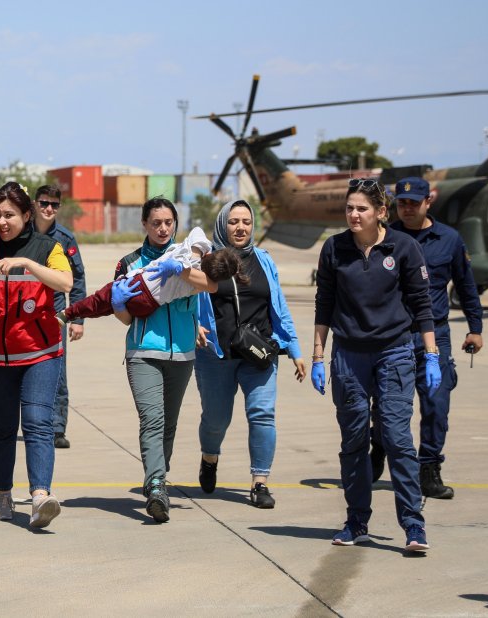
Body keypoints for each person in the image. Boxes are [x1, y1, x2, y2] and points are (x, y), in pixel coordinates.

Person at [312, 178, 438, 553]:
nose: (353, 214)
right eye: (349, 208)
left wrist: (430, 355)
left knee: (397, 439)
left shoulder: (404, 248)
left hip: (394, 352)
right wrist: (318, 355)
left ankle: (413, 525)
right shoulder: (334, 248)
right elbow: (324, 303)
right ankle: (356, 522)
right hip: (348, 355)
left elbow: (422, 305)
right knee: (353, 442)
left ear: (381, 212)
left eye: (361, 208)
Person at [369, 177, 485, 499]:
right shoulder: (385, 237)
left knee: (436, 404)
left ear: (428, 202)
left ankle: (429, 469)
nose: (407, 208)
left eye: (413, 203)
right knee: (388, 405)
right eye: (401, 203)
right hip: (393, 335)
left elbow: (466, 286)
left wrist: (475, 328)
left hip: (436, 335)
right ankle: (378, 444)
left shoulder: (449, 239)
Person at [194, 200, 307, 509]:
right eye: (233, 222)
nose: (240, 227)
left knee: (262, 414)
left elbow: (280, 306)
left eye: (246, 221)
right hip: (216, 355)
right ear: (222, 225)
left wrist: (295, 349)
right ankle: (209, 456)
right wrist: (194, 326)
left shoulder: (263, 260)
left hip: (259, 353)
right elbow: (185, 299)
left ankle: (260, 482)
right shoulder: (206, 261)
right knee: (216, 420)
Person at [113, 197, 215, 523]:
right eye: (155, 222)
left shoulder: (188, 255)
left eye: (168, 222)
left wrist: (182, 268)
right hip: (143, 352)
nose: (162, 228)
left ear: (175, 224)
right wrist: (119, 303)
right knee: (152, 420)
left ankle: (160, 477)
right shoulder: (130, 262)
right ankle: (156, 484)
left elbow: (210, 285)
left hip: (183, 353)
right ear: (144, 224)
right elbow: (126, 318)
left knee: (168, 424)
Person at [0, 182, 72, 527]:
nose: (2, 222)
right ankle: (3, 495)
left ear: (27, 215)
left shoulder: (48, 247)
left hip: (41, 354)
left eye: (10, 215)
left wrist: (26, 264)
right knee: (2, 427)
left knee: (38, 423)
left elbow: (65, 282)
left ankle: (39, 497)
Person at [61, 227, 240, 321]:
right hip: (149, 306)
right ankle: (75, 315)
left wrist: (199, 252)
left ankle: (68, 314)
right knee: (105, 308)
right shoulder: (200, 284)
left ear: (209, 254)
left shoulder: (188, 254)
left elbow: (198, 232)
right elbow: (213, 286)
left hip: (138, 286)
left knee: (99, 301)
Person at [31, 184, 86, 449]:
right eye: (44, 203)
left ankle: (56, 428)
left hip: (54, 314)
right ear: (34, 204)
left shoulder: (65, 238)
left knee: (58, 371)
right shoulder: (22, 232)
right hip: (21, 311)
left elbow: (77, 279)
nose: (49, 209)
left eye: (54, 205)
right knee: (5, 369)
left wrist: (77, 317)